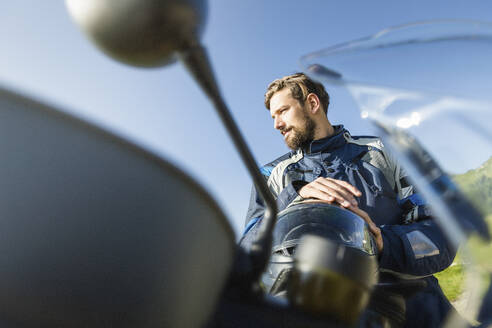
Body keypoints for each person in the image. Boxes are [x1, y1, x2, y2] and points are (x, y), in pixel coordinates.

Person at [241, 72, 458, 327]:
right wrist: (293, 196)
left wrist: (380, 245)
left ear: (312, 104)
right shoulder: (271, 177)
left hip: (421, 315)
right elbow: (246, 252)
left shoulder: (385, 151)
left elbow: (442, 231)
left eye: (283, 111)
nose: (276, 124)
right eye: (273, 116)